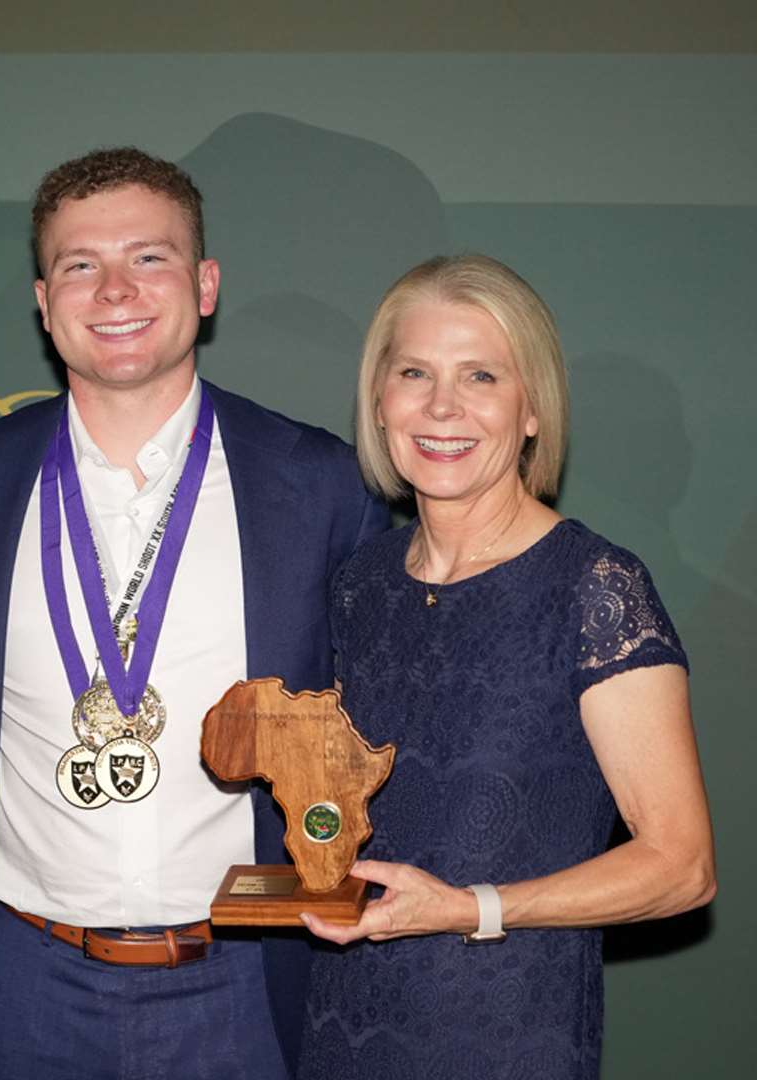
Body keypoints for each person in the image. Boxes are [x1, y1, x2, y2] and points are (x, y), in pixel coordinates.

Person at [0, 146, 389, 1079]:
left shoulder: (314, 483)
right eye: (80, 265)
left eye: (150, 258)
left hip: (246, 985)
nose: (115, 289)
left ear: (204, 286)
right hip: (22, 982)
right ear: (44, 304)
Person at [297, 254, 716, 1079]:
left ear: (531, 411)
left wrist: (470, 910)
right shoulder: (361, 585)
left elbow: (682, 866)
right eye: (414, 372)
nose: (442, 406)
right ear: (379, 401)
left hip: (504, 1039)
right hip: (341, 1030)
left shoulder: (595, 587)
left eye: (480, 376)